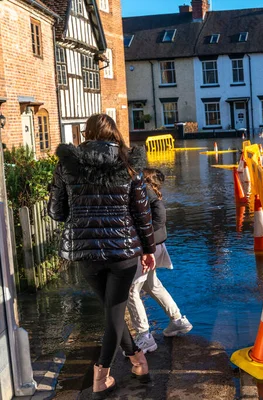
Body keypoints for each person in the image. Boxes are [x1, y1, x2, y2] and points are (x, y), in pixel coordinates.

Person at [48, 114, 156, 399]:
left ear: (87, 133)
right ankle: (101, 375)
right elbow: (142, 213)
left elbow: (56, 212)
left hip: (86, 253)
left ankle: (137, 361)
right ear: (114, 133)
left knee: (112, 313)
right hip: (123, 252)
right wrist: (149, 248)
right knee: (113, 315)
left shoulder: (67, 164)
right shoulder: (128, 163)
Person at [127, 168, 192, 354]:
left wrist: (140, 239)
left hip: (147, 247)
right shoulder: (151, 193)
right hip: (157, 245)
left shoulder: (143, 191)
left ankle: (144, 335)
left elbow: (157, 218)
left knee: (132, 290)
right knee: (151, 284)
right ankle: (178, 320)